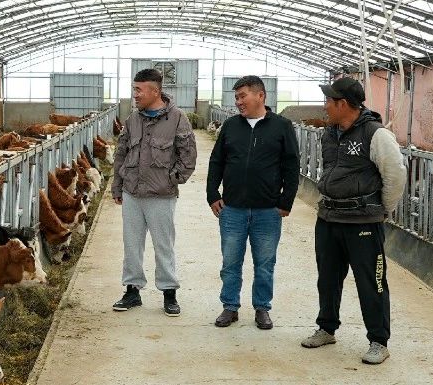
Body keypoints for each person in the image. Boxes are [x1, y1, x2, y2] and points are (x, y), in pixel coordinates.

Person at [301, 76, 406, 364]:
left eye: (328, 101)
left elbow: (395, 174)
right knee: (328, 278)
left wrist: (382, 210)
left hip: (362, 221)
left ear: (343, 104)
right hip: (329, 217)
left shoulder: (376, 134)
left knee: (371, 282)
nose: (325, 106)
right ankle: (326, 328)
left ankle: (378, 341)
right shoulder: (330, 133)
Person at [206, 75, 301, 330]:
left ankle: (262, 308)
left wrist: (286, 201)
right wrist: (212, 194)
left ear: (260, 95)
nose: (238, 102)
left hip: (267, 210)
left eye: (242, 96)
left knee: (265, 263)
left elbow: (292, 166)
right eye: (236, 97)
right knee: (230, 262)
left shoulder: (281, 126)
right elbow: (216, 161)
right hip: (232, 209)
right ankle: (230, 306)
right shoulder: (231, 126)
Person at [111, 68, 198, 316]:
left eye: (139, 90)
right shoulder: (133, 119)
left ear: (155, 91)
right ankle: (132, 290)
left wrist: (171, 180)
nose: (135, 94)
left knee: (164, 245)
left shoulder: (177, 118)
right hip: (132, 192)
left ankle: (169, 292)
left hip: (161, 195)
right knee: (131, 244)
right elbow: (121, 153)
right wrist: (117, 185)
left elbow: (188, 156)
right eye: (134, 89)